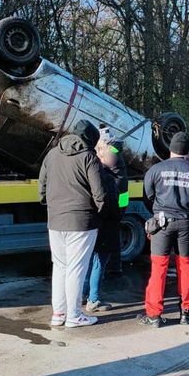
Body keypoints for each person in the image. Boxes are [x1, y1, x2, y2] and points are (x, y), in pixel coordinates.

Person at [39, 119, 108, 328]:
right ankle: (75, 315)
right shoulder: (89, 158)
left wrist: (50, 204)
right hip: (81, 221)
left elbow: (42, 187)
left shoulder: (51, 154)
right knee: (76, 269)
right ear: (90, 140)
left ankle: (58, 314)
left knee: (59, 267)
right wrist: (98, 213)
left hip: (55, 219)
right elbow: (100, 194)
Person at [138, 131, 189, 327]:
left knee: (158, 268)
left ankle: (154, 315)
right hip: (186, 223)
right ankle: (186, 311)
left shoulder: (156, 169)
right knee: (185, 267)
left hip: (162, 223)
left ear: (170, 148)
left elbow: (147, 197)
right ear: (188, 151)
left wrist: (158, 210)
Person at [81, 131, 129, 312]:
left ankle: (83, 295)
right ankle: (92, 298)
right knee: (98, 262)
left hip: (102, 221)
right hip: (108, 222)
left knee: (92, 261)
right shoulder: (115, 172)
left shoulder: (101, 169)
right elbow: (121, 199)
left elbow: (121, 198)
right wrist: (119, 213)